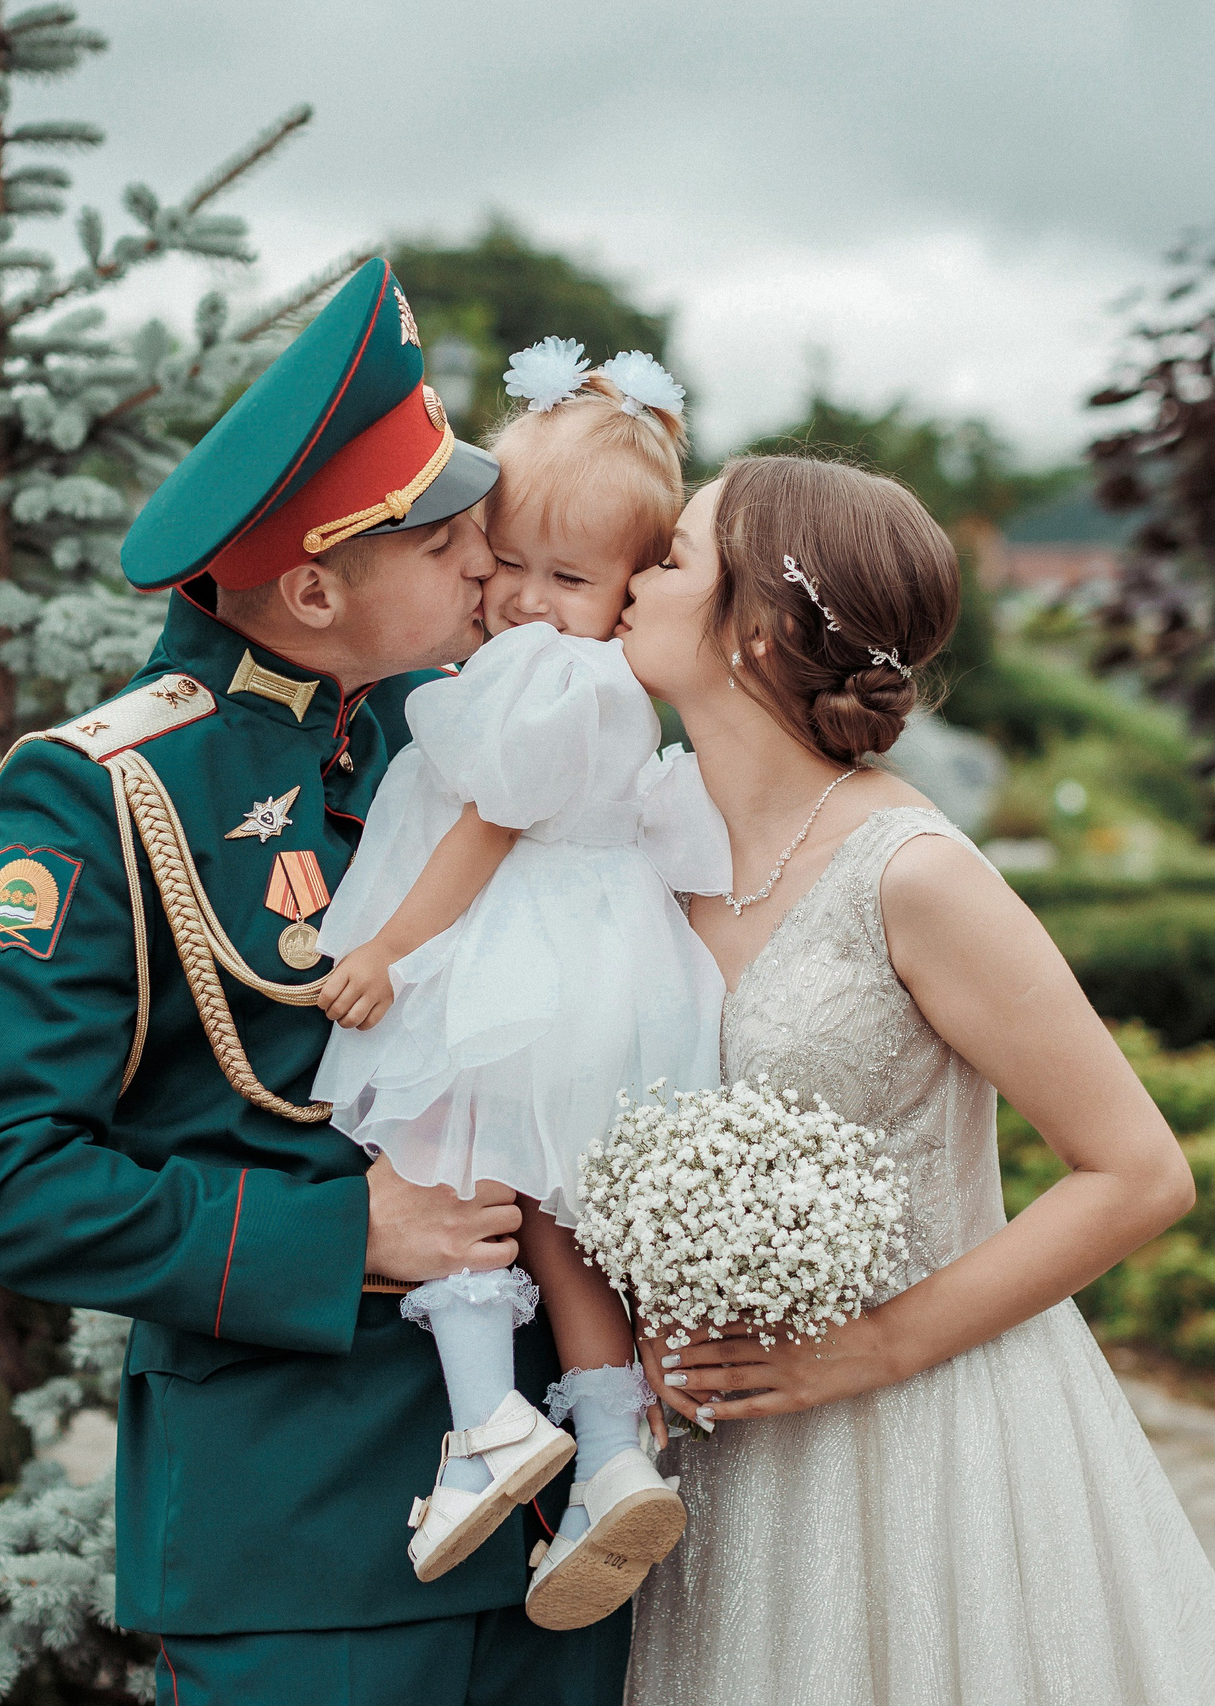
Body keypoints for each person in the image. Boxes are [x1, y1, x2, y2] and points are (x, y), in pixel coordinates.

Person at [0, 260, 631, 1706]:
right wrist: (344, 1230)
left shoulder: (456, 729)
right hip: (304, 1527)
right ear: (312, 586)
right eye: (445, 541)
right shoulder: (105, 790)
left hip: (570, 1519)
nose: (487, 564)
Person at [615, 455, 1215, 1704]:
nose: (633, 577)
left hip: (917, 1438)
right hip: (712, 1447)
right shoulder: (638, 842)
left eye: (673, 556)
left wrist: (868, 1347)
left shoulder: (910, 871)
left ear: (758, 627)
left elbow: (1138, 1172)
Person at [311, 339, 723, 1630]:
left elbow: (483, 826)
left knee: (444, 1161)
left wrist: (388, 952)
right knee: (554, 1211)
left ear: (633, 585)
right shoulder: (613, 678)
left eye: (571, 577)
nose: (530, 600)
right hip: (610, 959)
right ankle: (609, 1452)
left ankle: (487, 1415)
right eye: (510, 563)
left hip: (511, 953)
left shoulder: (530, 674)